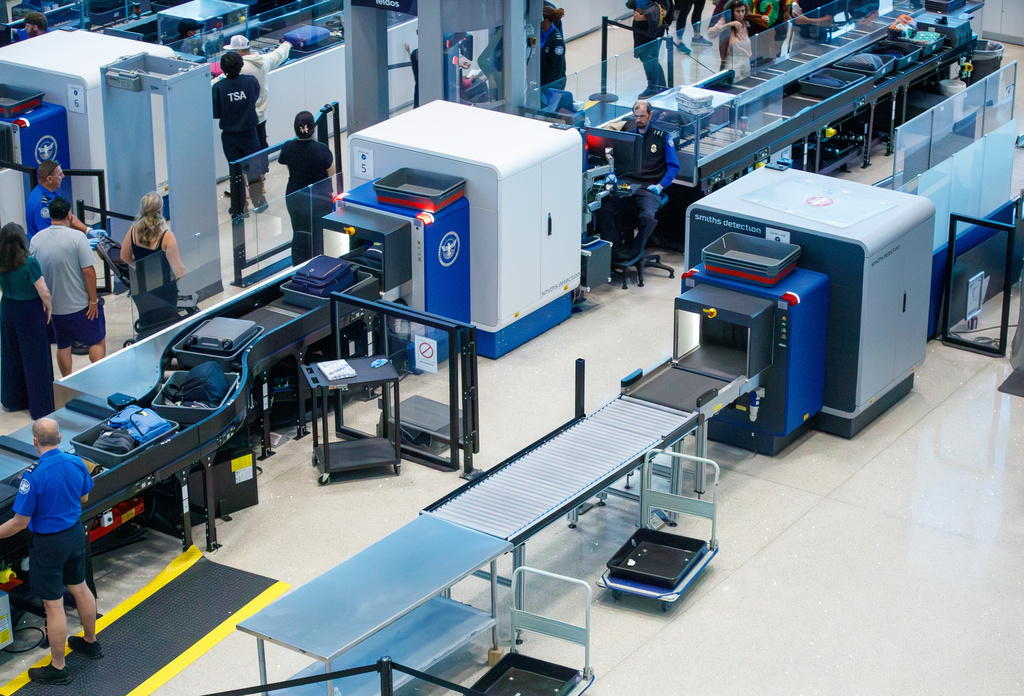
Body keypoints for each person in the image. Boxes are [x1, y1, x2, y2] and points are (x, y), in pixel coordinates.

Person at [0, 419, 101, 685]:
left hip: (48, 545)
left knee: (53, 605)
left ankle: (58, 667)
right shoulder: (76, 462)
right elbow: (84, 498)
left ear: (35, 441)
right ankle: (90, 642)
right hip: (74, 534)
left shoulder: (34, 476)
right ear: (59, 437)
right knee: (80, 587)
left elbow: (18, 523)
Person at [29, 197, 105, 377]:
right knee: (97, 340)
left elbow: (33, 271)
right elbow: (88, 272)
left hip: (54, 309)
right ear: (69, 215)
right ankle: (101, 376)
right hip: (81, 307)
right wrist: (93, 301)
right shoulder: (77, 238)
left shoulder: (36, 240)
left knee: (63, 345)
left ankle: (67, 380)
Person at [601, 100, 679, 263]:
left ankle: (635, 249)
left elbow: (673, 167)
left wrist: (660, 185)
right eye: (636, 116)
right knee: (605, 207)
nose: (638, 119)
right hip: (627, 184)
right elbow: (611, 153)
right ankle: (613, 248)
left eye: (642, 116)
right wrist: (612, 172)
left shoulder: (662, 137)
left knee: (648, 217)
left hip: (649, 188)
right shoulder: (627, 134)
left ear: (650, 115)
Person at [220, 35, 291, 207]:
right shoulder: (264, 61)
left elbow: (218, 86)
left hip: (244, 120)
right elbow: (279, 55)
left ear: (237, 51)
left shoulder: (237, 71)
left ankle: (243, 192)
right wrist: (287, 44)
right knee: (260, 150)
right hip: (260, 117)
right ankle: (260, 187)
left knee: (241, 159)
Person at [0, 223, 54, 419]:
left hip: (7, 308)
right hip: (29, 310)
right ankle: (41, 405)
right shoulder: (29, 263)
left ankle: (13, 400)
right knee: (36, 358)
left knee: (11, 355)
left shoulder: (2, 262)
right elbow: (43, 291)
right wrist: (48, 308)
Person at [278, 111, 334, 266]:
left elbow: (287, 165)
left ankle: (298, 265)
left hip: (294, 196)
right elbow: (332, 172)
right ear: (313, 128)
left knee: (298, 231)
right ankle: (317, 267)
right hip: (319, 198)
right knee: (317, 234)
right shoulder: (321, 149)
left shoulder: (288, 147)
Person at [212, 51, 262, 217]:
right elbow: (254, 97)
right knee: (253, 168)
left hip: (230, 135)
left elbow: (216, 112)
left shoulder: (218, 88)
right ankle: (259, 202)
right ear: (241, 65)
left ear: (222, 68)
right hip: (250, 132)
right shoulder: (251, 82)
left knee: (235, 172)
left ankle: (240, 208)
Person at [120, 192, 186, 310]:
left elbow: (125, 257)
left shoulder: (133, 230)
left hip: (141, 290)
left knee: (149, 323)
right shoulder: (166, 236)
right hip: (164, 292)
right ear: (161, 210)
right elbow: (179, 271)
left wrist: (143, 267)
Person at [25, 161, 88, 240]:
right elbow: (50, 235)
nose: (63, 176)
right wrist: (77, 241)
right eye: (60, 174)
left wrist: (87, 230)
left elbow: (66, 215)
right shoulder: (41, 204)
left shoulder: (51, 191)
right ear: (50, 179)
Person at [707, 0, 757, 81]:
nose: (741, 14)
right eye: (737, 11)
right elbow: (710, 33)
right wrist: (728, 25)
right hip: (733, 61)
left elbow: (757, 19)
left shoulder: (745, 20)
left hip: (746, 59)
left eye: (743, 11)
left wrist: (763, 18)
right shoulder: (725, 20)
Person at [631, 0, 669, 98]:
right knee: (646, 58)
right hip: (640, 29)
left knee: (650, 58)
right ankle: (658, 87)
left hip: (653, 30)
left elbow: (664, 11)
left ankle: (655, 87)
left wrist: (643, 17)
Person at [539, 5, 566, 91]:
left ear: (546, 21)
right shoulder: (540, 33)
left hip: (554, 84)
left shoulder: (556, 41)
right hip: (543, 80)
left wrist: (545, 88)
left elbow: (556, 68)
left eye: (540, 20)